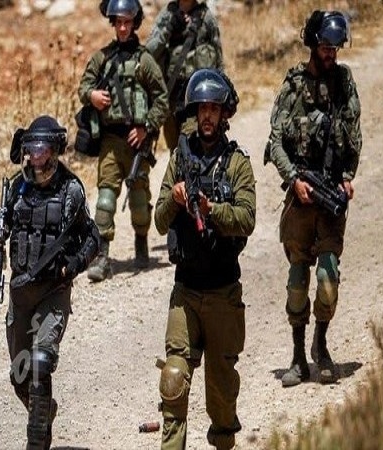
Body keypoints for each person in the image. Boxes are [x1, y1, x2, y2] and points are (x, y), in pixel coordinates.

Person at [154, 69, 256, 449]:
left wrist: (212, 210)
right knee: (173, 381)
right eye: (202, 109)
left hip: (223, 293)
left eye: (214, 108)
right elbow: (159, 221)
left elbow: (247, 219)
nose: (207, 116)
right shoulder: (179, 159)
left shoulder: (237, 164)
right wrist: (175, 198)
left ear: (224, 113)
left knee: (222, 393)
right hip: (185, 291)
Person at [0, 116, 100, 449]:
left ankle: (36, 442)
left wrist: (73, 266)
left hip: (53, 290)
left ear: (54, 151)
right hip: (21, 291)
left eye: (42, 151)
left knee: (40, 364)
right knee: (20, 375)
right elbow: (1, 223)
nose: (36, 158)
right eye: (31, 151)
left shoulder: (71, 190)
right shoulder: (17, 188)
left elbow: (92, 237)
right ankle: (43, 409)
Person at [264, 10, 360, 387]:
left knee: (328, 280)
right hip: (301, 197)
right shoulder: (294, 85)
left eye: (335, 48)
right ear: (313, 45)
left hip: (330, 195)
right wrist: (293, 180)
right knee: (297, 281)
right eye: (325, 47)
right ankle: (298, 357)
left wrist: (348, 177)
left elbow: (354, 135)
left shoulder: (344, 83)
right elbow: (275, 141)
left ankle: (321, 344)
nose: (331, 53)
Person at [78, 0, 169, 279]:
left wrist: (146, 128)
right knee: (105, 199)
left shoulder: (144, 61)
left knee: (139, 202)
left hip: (136, 142)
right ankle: (102, 256)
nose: (122, 28)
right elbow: (84, 87)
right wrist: (92, 96)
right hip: (110, 140)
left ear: (134, 23)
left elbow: (162, 100)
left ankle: (141, 241)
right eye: (118, 22)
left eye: (127, 22)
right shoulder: (102, 58)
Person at [145, 0, 223, 151]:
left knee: (194, 147)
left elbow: (218, 59)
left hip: (197, 99)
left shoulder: (206, 17)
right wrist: (169, 28)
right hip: (171, 96)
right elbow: (149, 52)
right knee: (175, 151)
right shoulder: (167, 14)